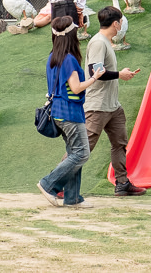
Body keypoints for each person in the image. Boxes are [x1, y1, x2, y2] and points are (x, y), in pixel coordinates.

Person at [37, 16, 104, 207]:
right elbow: (76, 88)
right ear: (71, 35)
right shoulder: (69, 60)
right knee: (81, 153)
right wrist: (94, 78)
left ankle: (72, 198)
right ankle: (48, 183)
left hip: (57, 112)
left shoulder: (53, 57)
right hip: (70, 113)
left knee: (74, 153)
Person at [85, 6, 147, 197]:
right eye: (120, 21)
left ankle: (122, 182)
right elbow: (94, 72)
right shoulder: (98, 43)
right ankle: (57, 182)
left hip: (113, 106)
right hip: (98, 106)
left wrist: (120, 73)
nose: (121, 24)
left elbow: (105, 71)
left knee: (119, 143)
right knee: (83, 147)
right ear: (115, 23)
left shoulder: (106, 42)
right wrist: (120, 74)